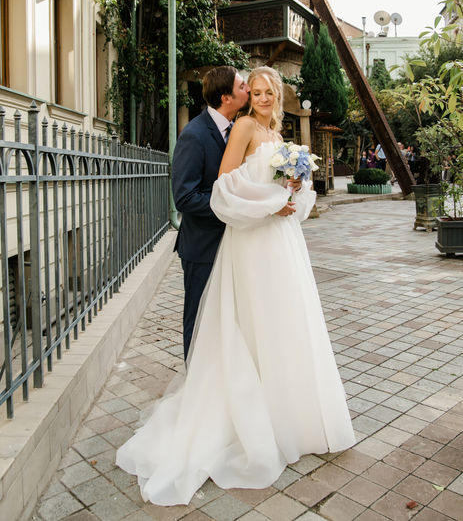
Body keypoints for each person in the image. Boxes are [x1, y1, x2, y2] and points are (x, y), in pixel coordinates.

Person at [116, 66, 355, 506]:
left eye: (266, 91)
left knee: (281, 322)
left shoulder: (277, 136)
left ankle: (285, 413)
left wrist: (293, 188)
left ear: (277, 95)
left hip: (280, 241)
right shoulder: (235, 128)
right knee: (231, 322)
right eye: (252, 90)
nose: (258, 96)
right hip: (246, 239)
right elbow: (224, 187)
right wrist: (269, 203)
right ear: (236, 97)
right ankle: (223, 405)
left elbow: (278, 188)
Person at [171, 66, 250, 359]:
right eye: (242, 86)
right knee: (199, 318)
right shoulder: (194, 134)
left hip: (234, 244)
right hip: (202, 247)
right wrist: (231, 206)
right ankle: (193, 377)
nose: (248, 89)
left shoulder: (239, 129)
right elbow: (185, 197)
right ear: (226, 97)